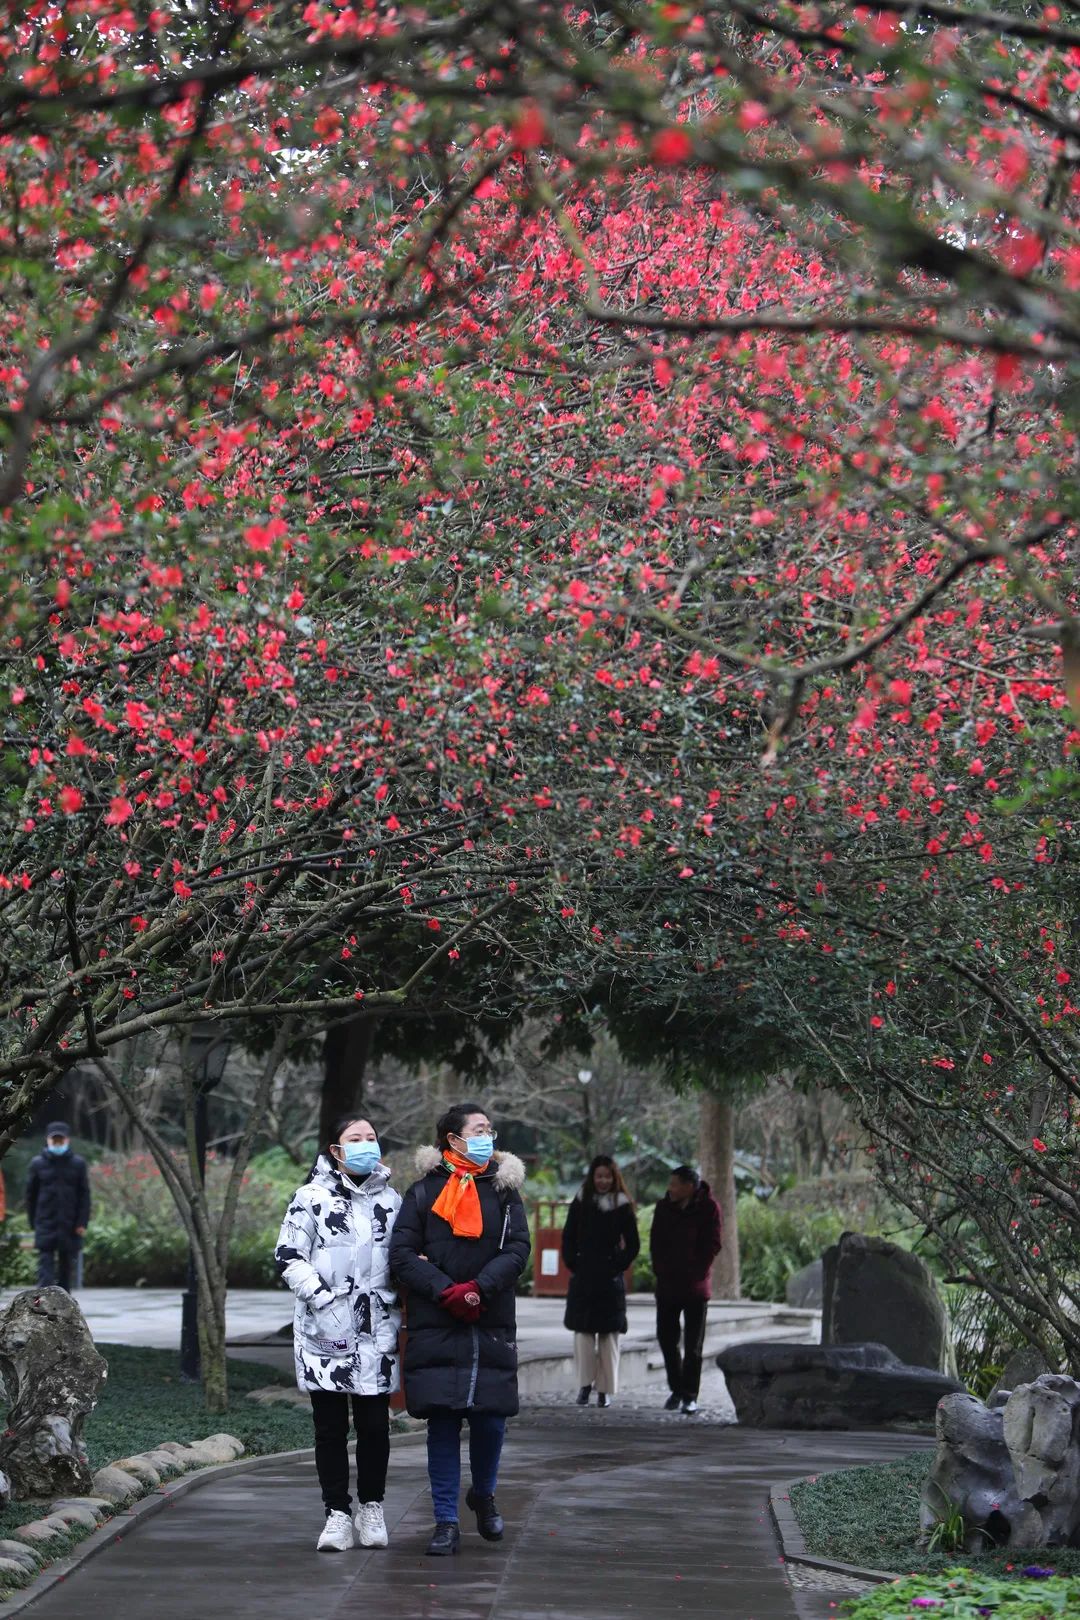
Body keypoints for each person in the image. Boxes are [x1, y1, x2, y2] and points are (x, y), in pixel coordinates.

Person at [389, 1102, 530, 1558]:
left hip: (488, 1317)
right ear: (453, 1140)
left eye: (490, 1128)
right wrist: (446, 1290)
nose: (488, 1135)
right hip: (437, 1319)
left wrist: (478, 1289)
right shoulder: (423, 1192)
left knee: (491, 1418)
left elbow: (517, 1249)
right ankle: (446, 1519)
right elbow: (403, 1254)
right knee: (443, 1422)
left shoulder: (506, 1192)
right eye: (479, 1129)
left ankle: (484, 1494)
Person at [275, 1114, 402, 1554]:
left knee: (374, 1426)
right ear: (336, 1150)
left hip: (378, 1331)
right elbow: (289, 1254)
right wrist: (323, 1299)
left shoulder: (393, 1201)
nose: (366, 1144)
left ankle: (372, 1507)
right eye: (355, 1138)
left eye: (371, 1138)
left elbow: (404, 1258)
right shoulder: (310, 1197)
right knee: (329, 1427)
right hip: (325, 1330)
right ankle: (336, 1512)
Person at [561, 1154, 640, 1408]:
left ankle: (605, 1390)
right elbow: (568, 1236)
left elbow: (633, 1244)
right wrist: (574, 1262)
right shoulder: (581, 1200)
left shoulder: (622, 1204)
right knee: (583, 1335)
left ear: (613, 1177)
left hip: (609, 1279)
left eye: (607, 1176)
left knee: (609, 1336)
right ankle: (584, 1386)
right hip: (584, 1276)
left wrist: (617, 1265)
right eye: (599, 1176)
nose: (603, 1181)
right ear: (592, 1177)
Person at [649, 1165, 722, 1415]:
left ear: (689, 1186)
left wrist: (697, 1270)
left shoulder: (709, 1208)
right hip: (667, 1285)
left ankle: (690, 1394)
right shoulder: (663, 1208)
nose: (670, 1189)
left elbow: (713, 1244)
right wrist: (661, 1269)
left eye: (675, 1184)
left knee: (693, 1345)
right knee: (666, 1338)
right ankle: (677, 1388)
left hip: (695, 1287)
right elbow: (655, 1242)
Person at [26, 1122, 90, 1291]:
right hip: (45, 1222)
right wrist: (33, 1222)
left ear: (67, 1140)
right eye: (54, 1139)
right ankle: (43, 1301)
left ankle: (65, 1303)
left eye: (60, 1139)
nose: (57, 1143)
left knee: (66, 1266)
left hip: (70, 1223)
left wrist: (82, 1223)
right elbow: (31, 1196)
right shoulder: (37, 1163)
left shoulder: (78, 1164)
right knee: (45, 1265)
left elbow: (84, 1196)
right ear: (48, 1140)